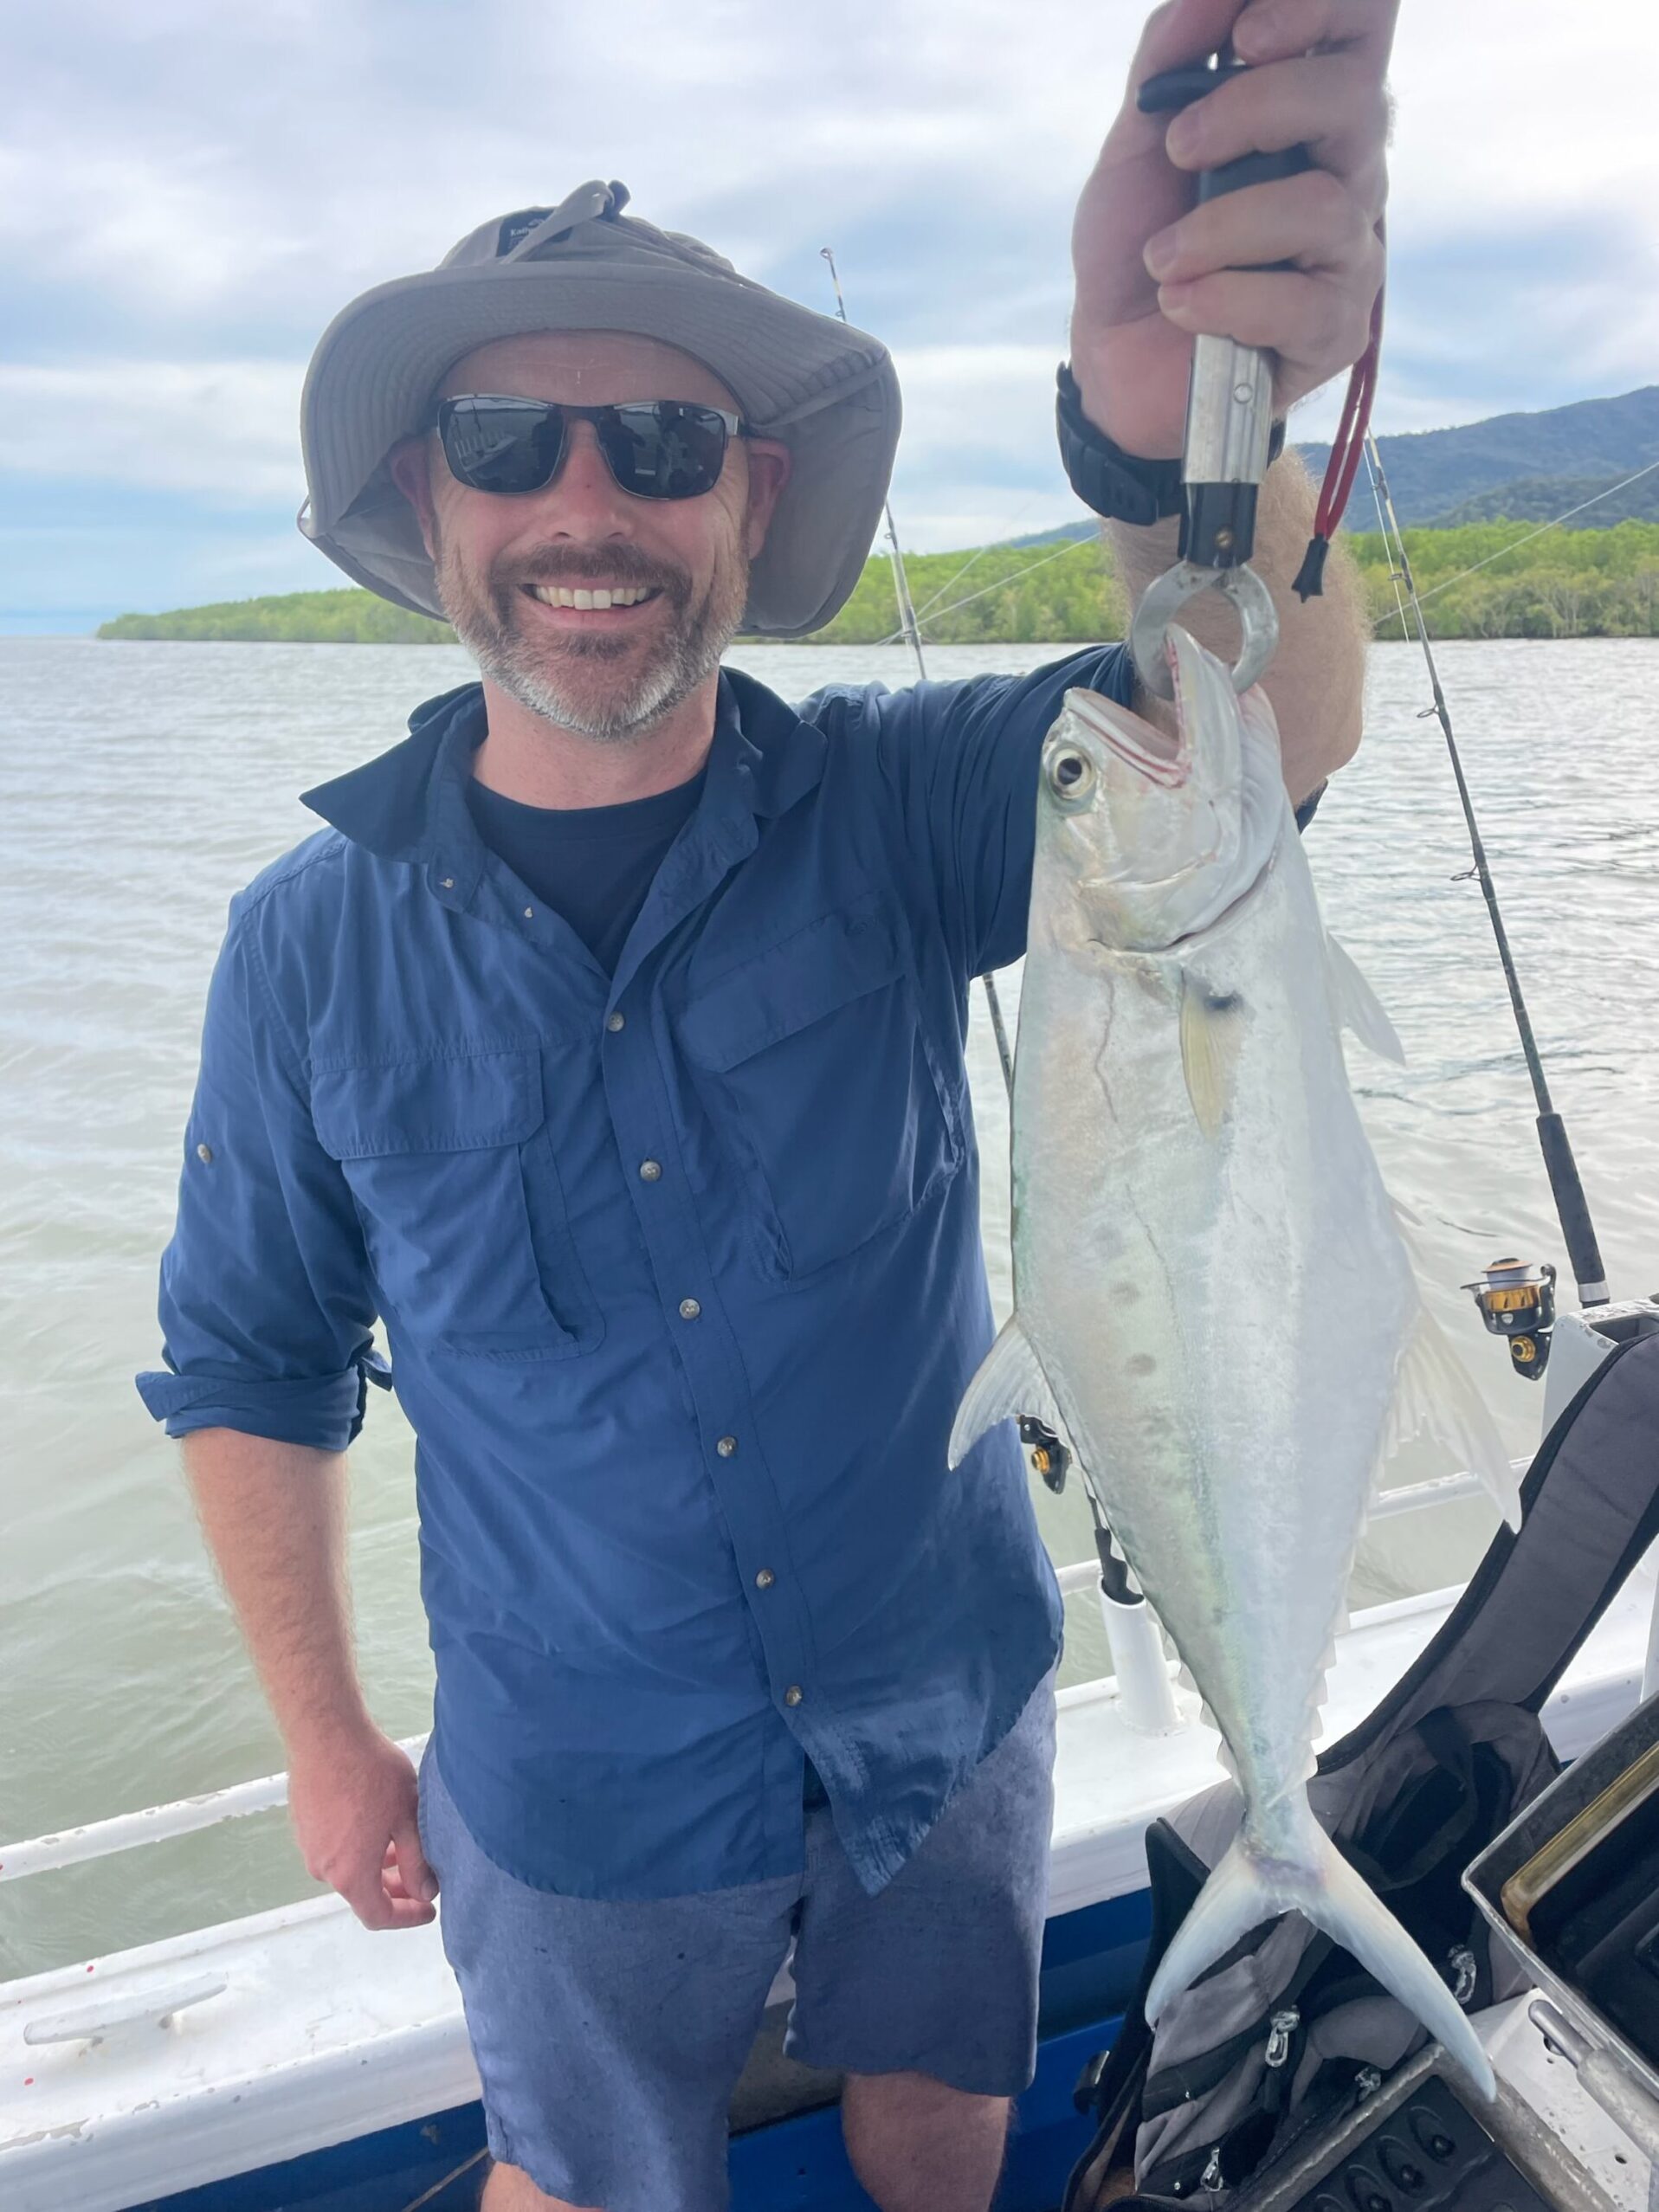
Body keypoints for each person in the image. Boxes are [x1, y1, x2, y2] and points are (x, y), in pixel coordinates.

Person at [137, 4, 1395, 2207]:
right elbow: (252, 1368)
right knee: (586, 2174)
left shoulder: (900, 806)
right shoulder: (299, 948)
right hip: (575, 1774)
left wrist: (1172, 434)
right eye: (507, 440)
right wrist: (329, 1747)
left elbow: (1250, 744)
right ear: (427, 493)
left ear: (755, 493)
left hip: (947, 1701)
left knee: (942, 2109)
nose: (586, 503)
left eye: (657, 435)